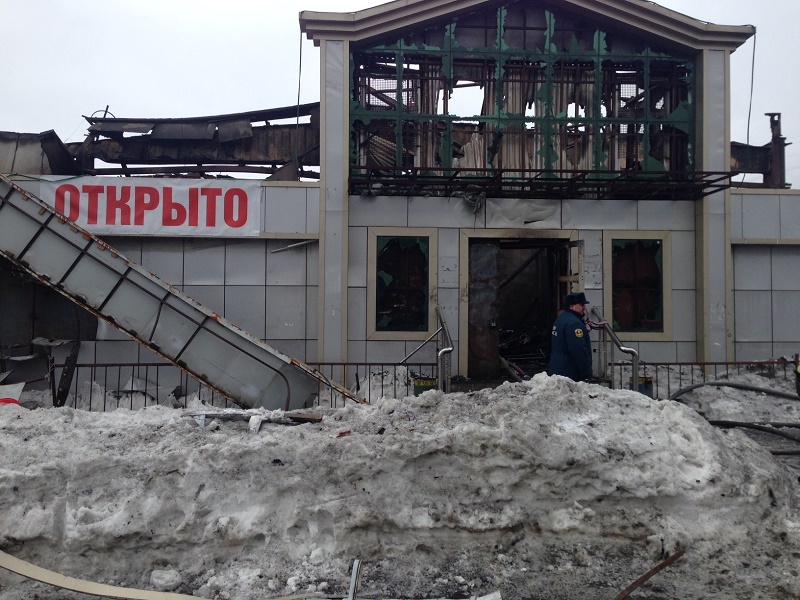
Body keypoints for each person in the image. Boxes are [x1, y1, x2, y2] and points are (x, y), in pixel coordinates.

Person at [548, 292, 593, 382]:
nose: (584, 307)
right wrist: (586, 371)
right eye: (581, 305)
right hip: (570, 372)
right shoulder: (574, 324)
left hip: (557, 368)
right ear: (571, 306)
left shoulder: (561, 318)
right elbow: (578, 349)